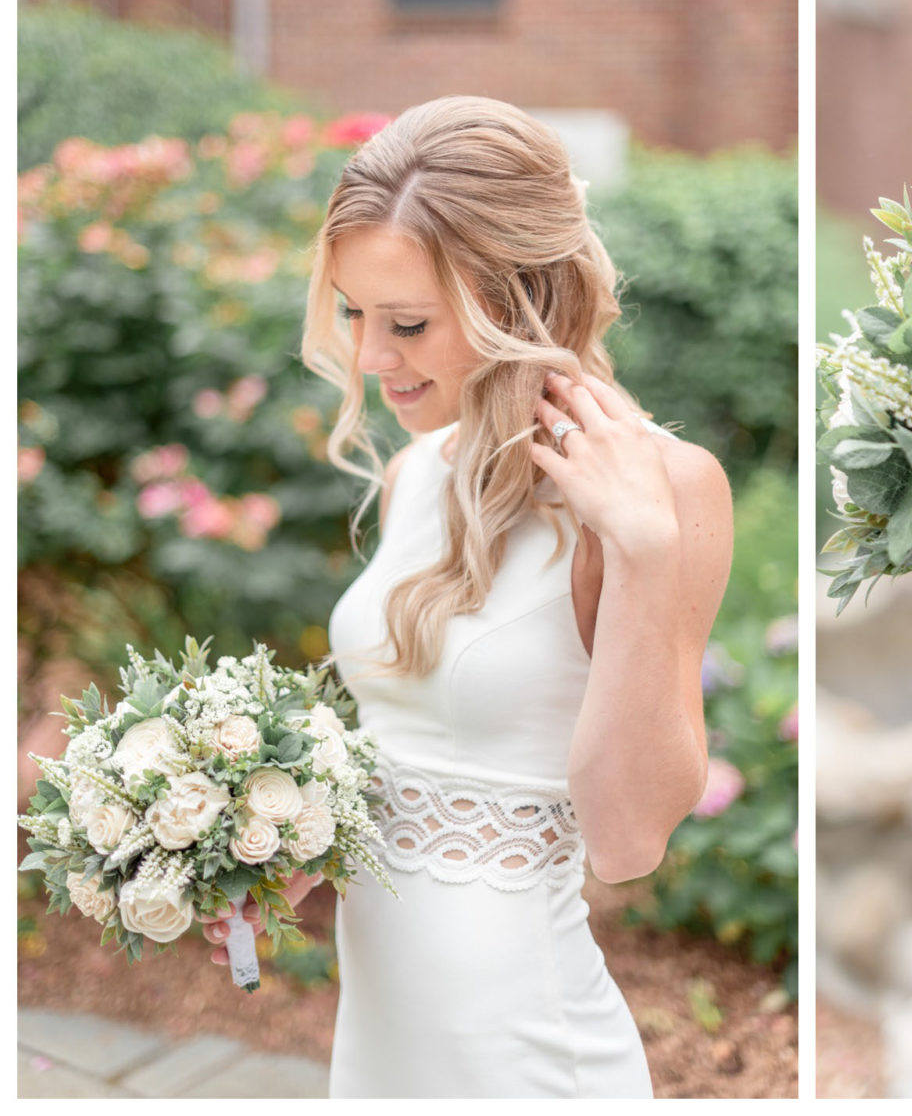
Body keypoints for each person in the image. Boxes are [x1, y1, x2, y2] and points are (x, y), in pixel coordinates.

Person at [200, 95, 733, 1097]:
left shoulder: (668, 489)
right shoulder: (418, 472)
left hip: (527, 1046)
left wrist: (645, 552)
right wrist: (269, 844)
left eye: (406, 322)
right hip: (382, 1037)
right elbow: (409, 756)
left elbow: (625, 841)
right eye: (355, 314)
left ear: (516, 299)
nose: (368, 357)